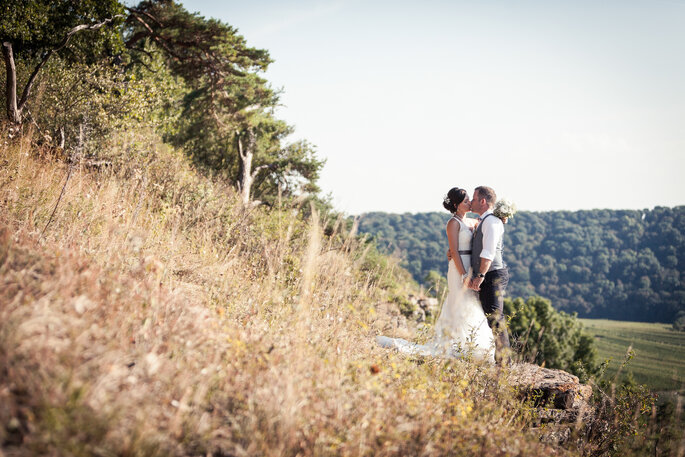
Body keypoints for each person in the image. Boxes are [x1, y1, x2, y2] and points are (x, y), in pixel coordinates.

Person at [376, 187, 494, 362]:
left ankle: (471, 344)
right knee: (460, 301)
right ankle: (457, 344)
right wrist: (463, 275)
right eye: (465, 201)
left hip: (471, 267)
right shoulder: (453, 223)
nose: (469, 203)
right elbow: (453, 251)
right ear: (456, 205)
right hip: (458, 268)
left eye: (470, 199)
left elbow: (487, 227)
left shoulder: (473, 222)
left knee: (472, 303)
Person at [468, 186, 512, 365]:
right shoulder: (485, 220)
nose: (471, 201)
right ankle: (502, 361)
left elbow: (488, 253)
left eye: (473, 198)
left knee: (495, 318)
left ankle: (504, 363)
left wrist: (480, 275)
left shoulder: (492, 222)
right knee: (492, 317)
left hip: (492, 274)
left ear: (482, 201)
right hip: (489, 274)